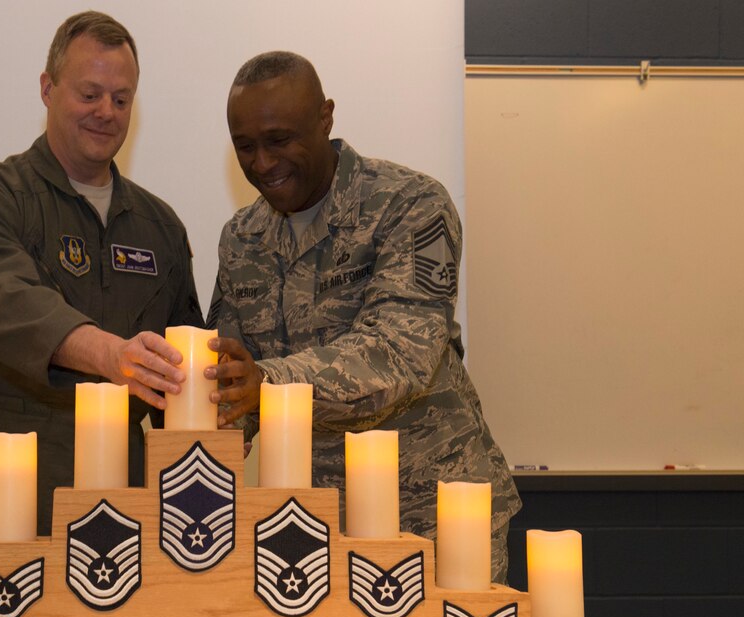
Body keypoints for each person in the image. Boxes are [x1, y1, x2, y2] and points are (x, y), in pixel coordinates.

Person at [205, 51, 520, 582]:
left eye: (279, 140)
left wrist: (271, 381)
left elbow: (402, 352)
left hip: (433, 515)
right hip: (309, 528)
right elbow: (232, 391)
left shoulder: (411, 205)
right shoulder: (242, 239)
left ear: (325, 118)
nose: (261, 163)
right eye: (245, 147)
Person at [0, 11, 204, 557]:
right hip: (8, 487)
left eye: (121, 99)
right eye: (89, 93)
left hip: (125, 505)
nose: (106, 112)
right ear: (47, 89)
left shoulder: (160, 226)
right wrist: (110, 355)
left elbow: (183, 364)